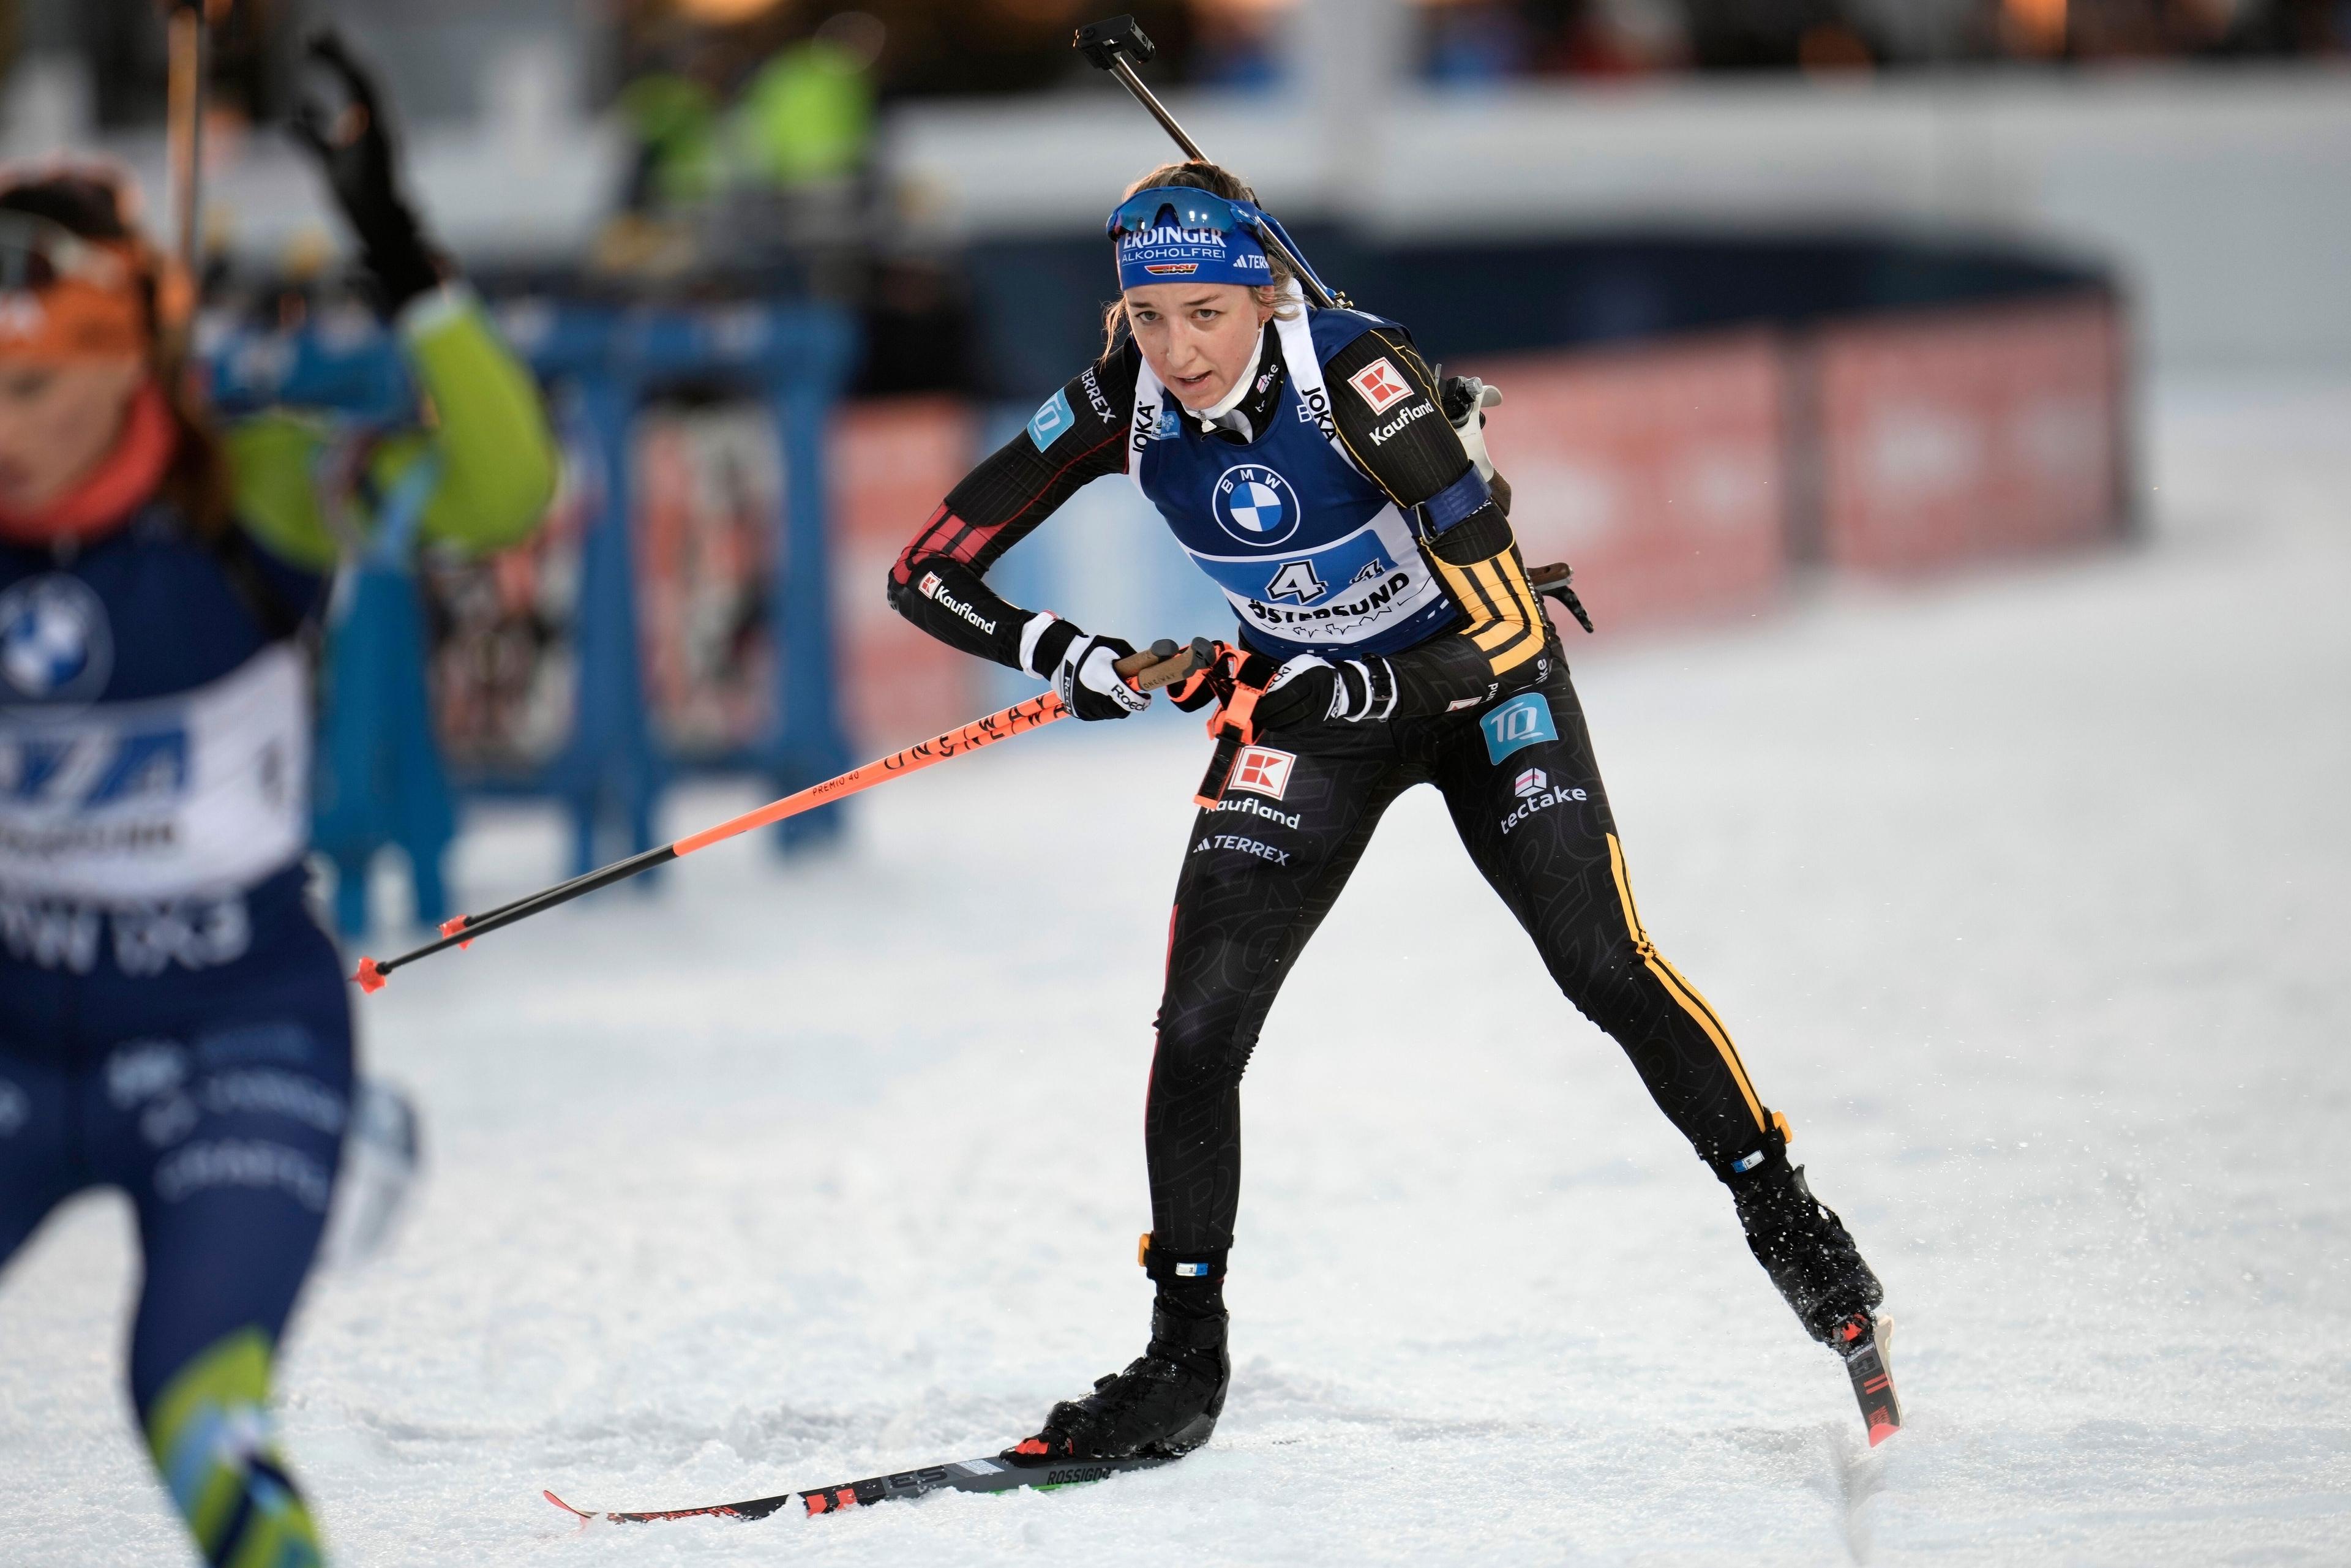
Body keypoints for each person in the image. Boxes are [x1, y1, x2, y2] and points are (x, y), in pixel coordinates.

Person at [887, 160, 1885, 1463]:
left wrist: (1351, 678)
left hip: (1481, 697)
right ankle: (1182, 1361)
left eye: (1207, 314)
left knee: (1601, 963)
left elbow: (1512, 624)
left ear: (1263, 296)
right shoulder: (1119, 399)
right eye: (1149, 317)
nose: (1178, 351)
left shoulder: (1358, 379)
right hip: (1310, 719)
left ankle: (1793, 1225)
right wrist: (1062, 651)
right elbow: (928, 570)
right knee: (1197, 1029)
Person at [0, 41, 555, 1566]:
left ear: (125, 360)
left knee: (187, 1404)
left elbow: (501, 491)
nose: (4, 427)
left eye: (34, 384)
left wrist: (394, 243)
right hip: (16, 1032)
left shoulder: (254, 490)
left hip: (233, 1034)